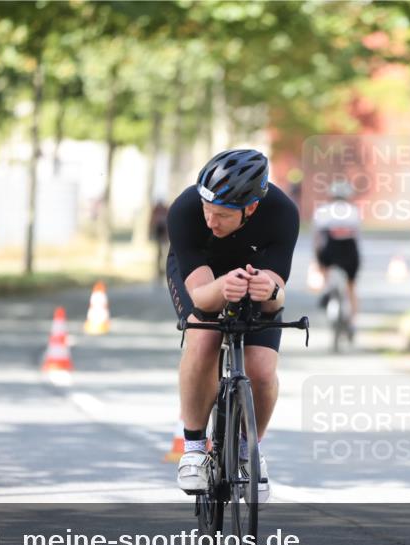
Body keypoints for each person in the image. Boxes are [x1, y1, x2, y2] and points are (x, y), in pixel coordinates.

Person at [166, 149, 300, 502]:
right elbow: (201, 298)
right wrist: (221, 288)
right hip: (203, 278)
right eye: (207, 210)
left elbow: (275, 297)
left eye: (223, 215)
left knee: (262, 368)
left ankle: (246, 450)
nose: (211, 221)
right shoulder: (184, 210)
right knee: (204, 340)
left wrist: (270, 290)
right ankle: (194, 447)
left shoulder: (282, 213)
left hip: (253, 275)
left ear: (251, 208)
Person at [312, 179, 362, 330]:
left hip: (330, 250)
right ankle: (353, 322)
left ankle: (327, 290)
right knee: (352, 286)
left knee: (325, 269)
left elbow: (317, 239)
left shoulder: (323, 211)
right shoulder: (354, 211)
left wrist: (317, 259)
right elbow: (357, 236)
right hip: (349, 250)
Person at [149, 200, 170, 282]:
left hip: (164, 236)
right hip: (159, 235)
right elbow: (152, 222)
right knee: (159, 253)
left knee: (165, 253)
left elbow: (168, 222)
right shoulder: (155, 211)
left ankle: (163, 270)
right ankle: (159, 270)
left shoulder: (165, 210)